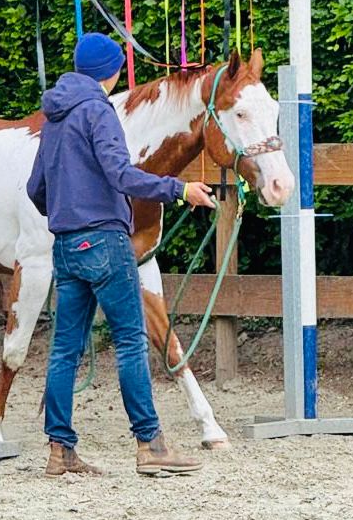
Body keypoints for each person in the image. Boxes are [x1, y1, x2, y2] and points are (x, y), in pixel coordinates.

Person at [26, 32, 217, 478]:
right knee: (131, 341)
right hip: (106, 242)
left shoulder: (54, 116)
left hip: (67, 245)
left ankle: (60, 449)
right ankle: (149, 444)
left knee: (64, 350)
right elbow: (120, 174)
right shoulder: (100, 111)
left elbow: (37, 186)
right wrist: (179, 189)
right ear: (111, 72)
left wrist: (65, 214)